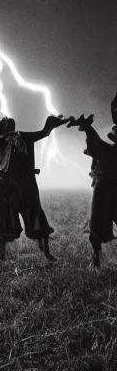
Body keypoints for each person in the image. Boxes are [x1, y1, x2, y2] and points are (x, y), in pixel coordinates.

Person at [0, 111, 69, 261]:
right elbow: (43, 133)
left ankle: (7, 253)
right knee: (18, 218)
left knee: (20, 218)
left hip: (18, 188)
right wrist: (51, 124)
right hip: (17, 188)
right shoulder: (17, 138)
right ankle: (37, 252)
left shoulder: (5, 140)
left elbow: (43, 133)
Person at [72, 110, 117, 267]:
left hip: (104, 190)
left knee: (96, 224)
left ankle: (96, 259)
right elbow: (98, 142)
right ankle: (96, 259)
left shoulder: (110, 150)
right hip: (108, 189)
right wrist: (87, 127)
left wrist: (87, 128)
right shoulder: (110, 148)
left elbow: (97, 144)